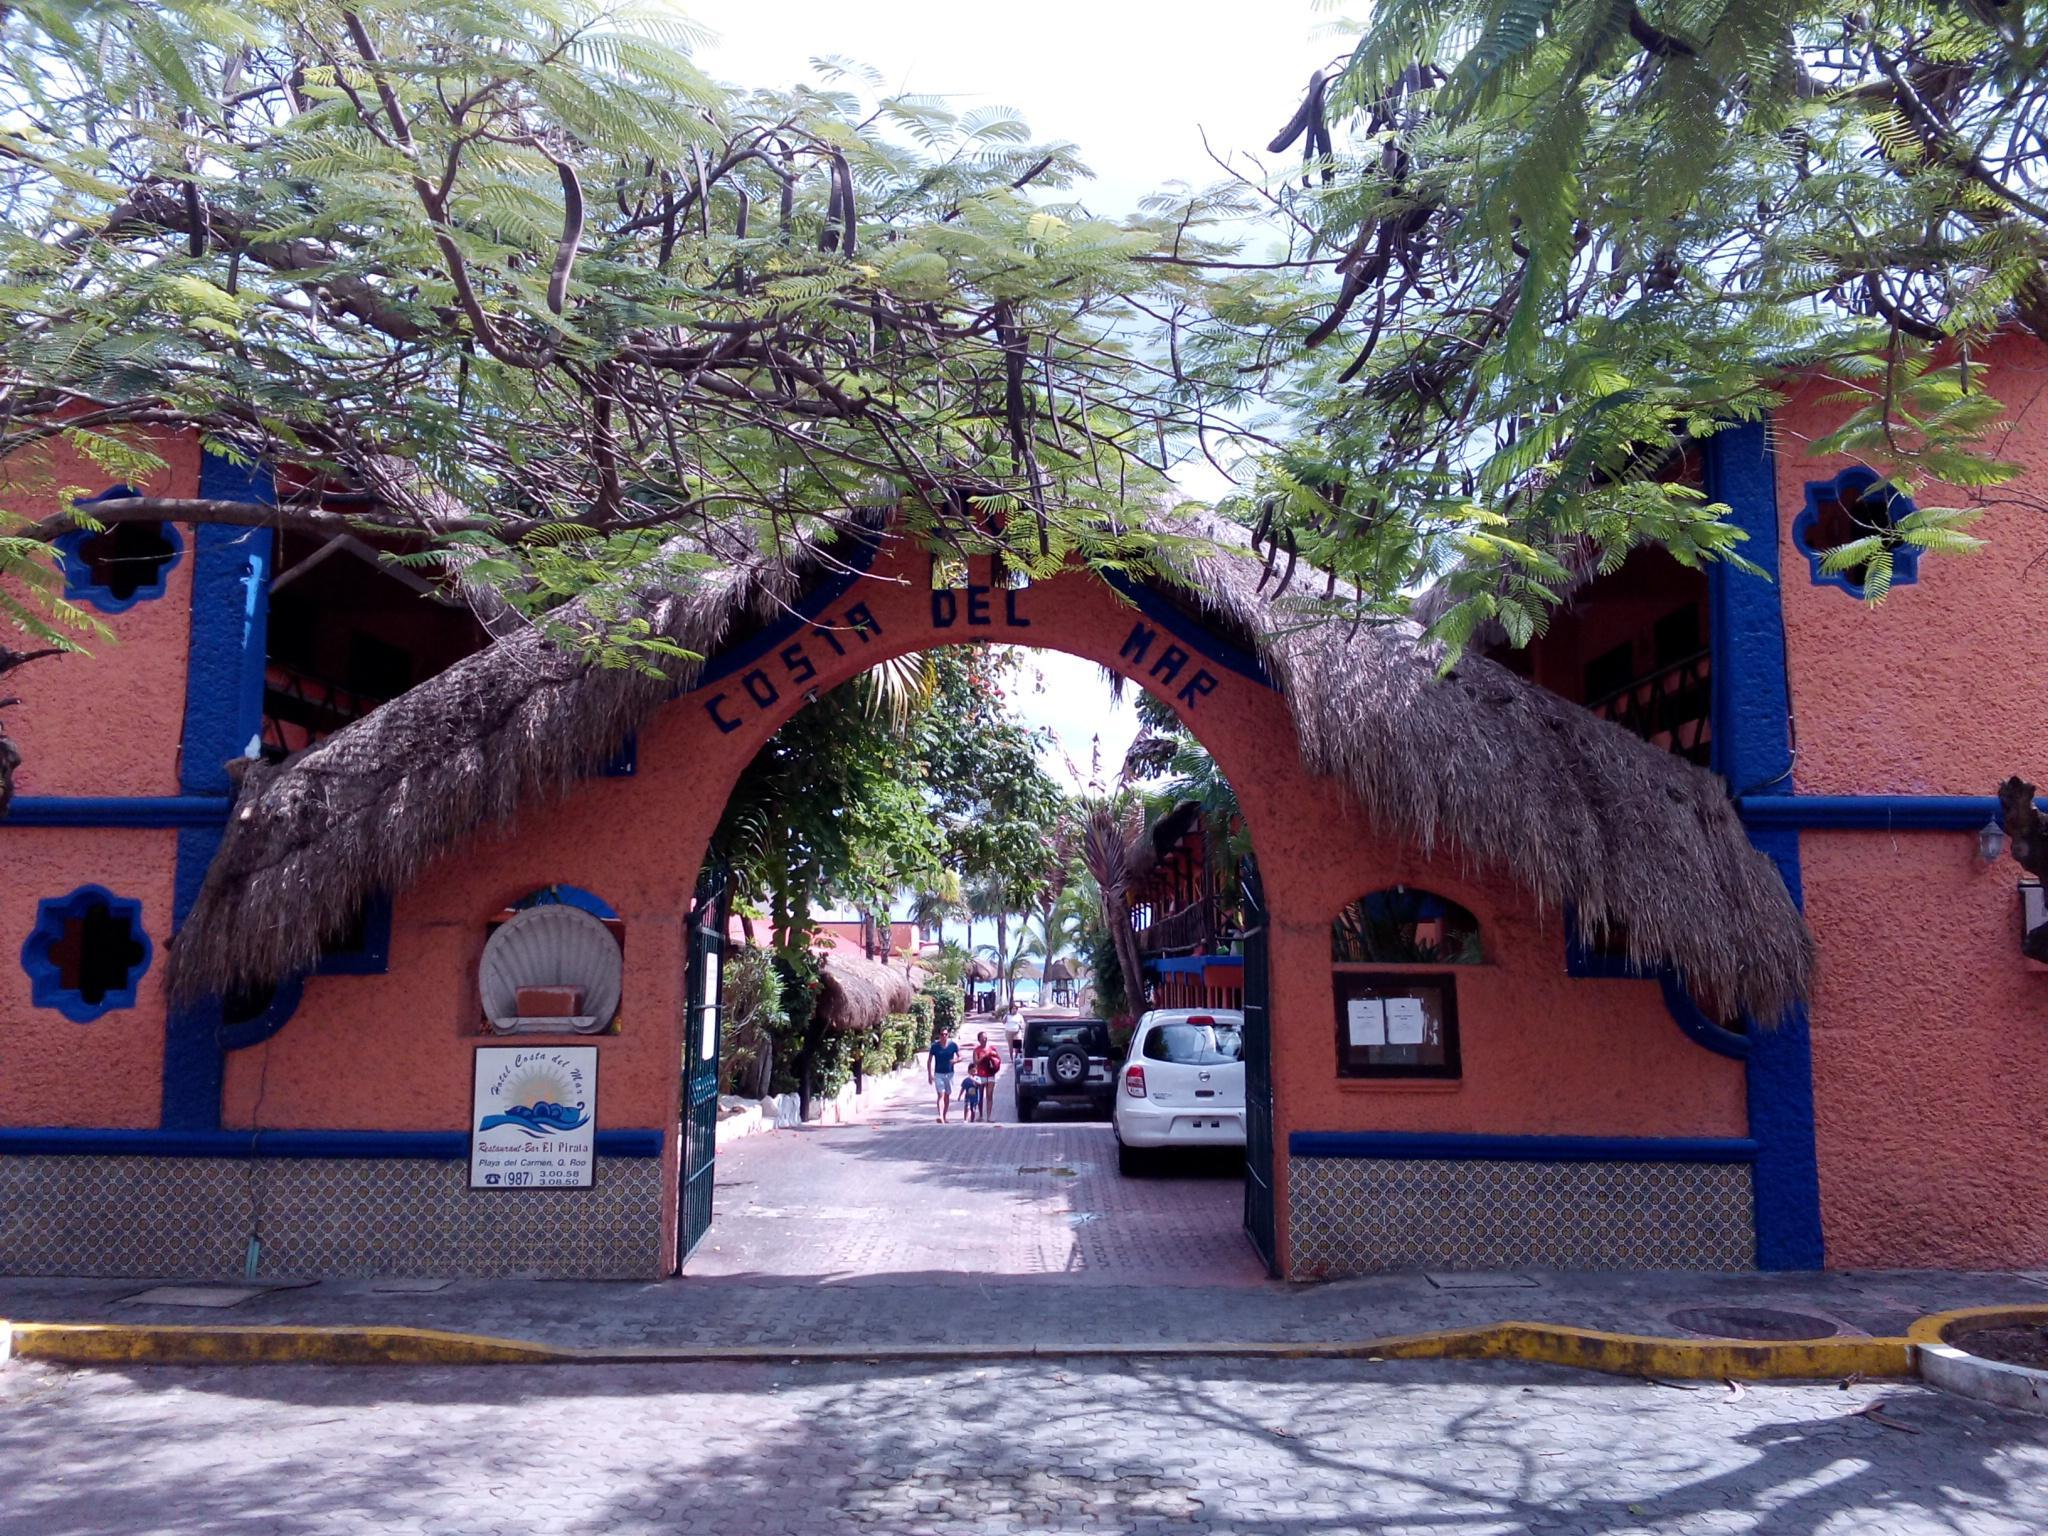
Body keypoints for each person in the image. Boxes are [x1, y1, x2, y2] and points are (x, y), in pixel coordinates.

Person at [927, 1027, 960, 1122]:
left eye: (945, 1034)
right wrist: (929, 1075)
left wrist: (956, 1060)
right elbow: (929, 1061)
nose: (944, 1036)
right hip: (938, 1074)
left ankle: (944, 1116)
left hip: (950, 1074)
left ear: (948, 1035)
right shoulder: (935, 1046)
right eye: (942, 1034)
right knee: (940, 1094)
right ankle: (940, 1115)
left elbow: (961, 1056)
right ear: (939, 1035)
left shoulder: (953, 1045)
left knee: (947, 1095)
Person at [970, 1031, 1003, 1120]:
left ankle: (989, 1116)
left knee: (989, 1096)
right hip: (981, 1075)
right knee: (980, 1096)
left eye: (986, 1037)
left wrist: (993, 1055)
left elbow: (998, 1059)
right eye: (983, 1038)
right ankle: (981, 1115)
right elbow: (975, 1062)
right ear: (979, 1040)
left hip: (991, 1074)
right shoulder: (976, 1050)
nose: (985, 1039)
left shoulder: (992, 1048)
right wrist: (984, 1056)